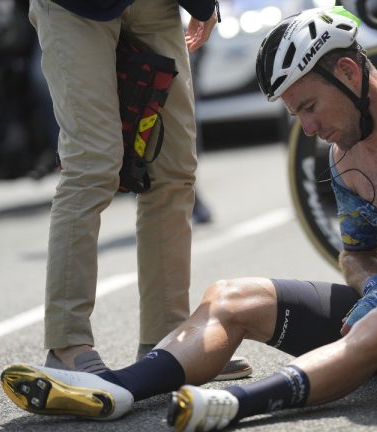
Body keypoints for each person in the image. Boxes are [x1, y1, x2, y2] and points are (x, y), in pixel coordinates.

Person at [0, 6, 377, 429]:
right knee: (230, 296)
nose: (311, 128)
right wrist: (371, 284)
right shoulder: (342, 156)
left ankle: (240, 404)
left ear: (347, 71)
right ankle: (118, 390)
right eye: (297, 115)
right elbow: (356, 251)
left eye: (311, 107)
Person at [29, 0, 249, 379]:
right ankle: (67, 344)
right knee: (92, 164)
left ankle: (166, 340)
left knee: (175, 170)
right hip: (74, 7)